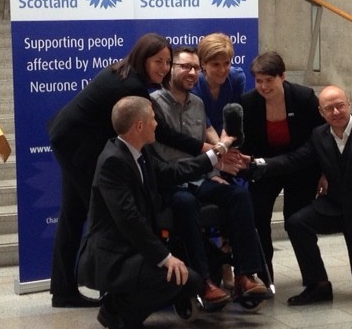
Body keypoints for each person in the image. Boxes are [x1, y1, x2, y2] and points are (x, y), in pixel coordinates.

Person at [46, 33, 210, 308]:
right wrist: (204, 148)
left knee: (73, 216)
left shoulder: (125, 73)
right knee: (104, 217)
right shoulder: (130, 85)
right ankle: (109, 289)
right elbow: (161, 131)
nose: (164, 68)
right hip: (78, 148)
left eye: (168, 62)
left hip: (70, 140)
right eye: (158, 61)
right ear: (142, 58)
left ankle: (64, 290)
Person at [76, 96, 236, 328]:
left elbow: (173, 171)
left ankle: (118, 309)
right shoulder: (113, 161)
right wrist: (164, 257)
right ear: (139, 126)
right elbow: (128, 219)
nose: (157, 124)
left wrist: (216, 154)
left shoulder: (141, 151)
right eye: (153, 119)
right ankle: (118, 315)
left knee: (189, 279)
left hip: (133, 249)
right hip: (112, 256)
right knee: (179, 278)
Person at [247, 85, 352, 305]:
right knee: (297, 223)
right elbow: (294, 160)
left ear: (348, 103)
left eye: (340, 106)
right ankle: (318, 285)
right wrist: (259, 164)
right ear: (321, 113)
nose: (336, 112)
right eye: (329, 108)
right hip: (333, 207)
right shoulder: (319, 135)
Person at [151, 46, 266, 304]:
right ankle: (203, 281)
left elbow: (206, 141)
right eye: (184, 67)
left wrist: (215, 169)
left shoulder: (198, 104)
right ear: (170, 69)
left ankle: (245, 275)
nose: (191, 72)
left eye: (194, 68)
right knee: (185, 203)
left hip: (200, 177)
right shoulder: (153, 104)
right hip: (170, 183)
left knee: (237, 194)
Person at [239, 51, 324, 282]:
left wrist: (324, 173)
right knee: (258, 217)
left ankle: (313, 278)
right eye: (259, 81)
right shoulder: (248, 102)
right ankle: (264, 277)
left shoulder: (304, 97)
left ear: (282, 77)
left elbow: (320, 137)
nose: (264, 86)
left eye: (269, 80)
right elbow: (247, 143)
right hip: (264, 168)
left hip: (301, 167)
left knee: (295, 220)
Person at [191, 32, 245, 139]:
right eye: (215, 64)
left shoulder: (236, 79)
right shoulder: (193, 85)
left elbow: (233, 120)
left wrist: (228, 146)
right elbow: (206, 127)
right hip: (201, 140)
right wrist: (221, 150)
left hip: (229, 138)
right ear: (203, 64)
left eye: (226, 63)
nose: (222, 70)